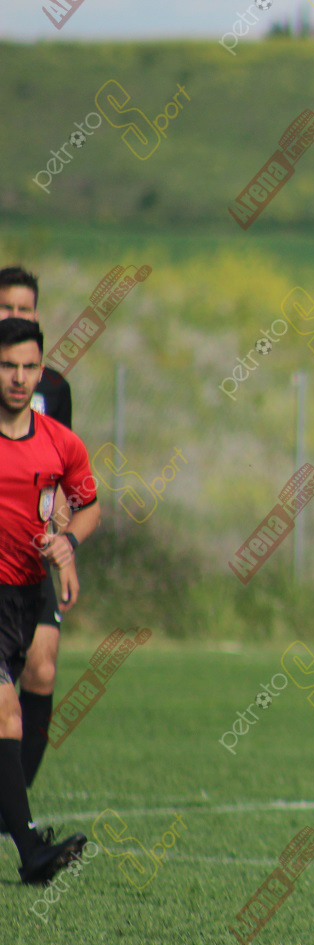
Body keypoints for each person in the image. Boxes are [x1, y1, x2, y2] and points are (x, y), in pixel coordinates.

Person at [0, 317, 96, 883]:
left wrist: (68, 543)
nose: (18, 377)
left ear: (41, 371)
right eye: (8, 366)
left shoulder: (61, 441)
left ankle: (28, 846)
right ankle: (32, 851)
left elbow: (88, 504)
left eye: (28, 366)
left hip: (21, 597)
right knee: (5, 712)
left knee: (9, 715)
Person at [0, 267, 74, 788]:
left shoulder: (54, 388)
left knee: (42, 668)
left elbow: (63, 475)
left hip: (34, 553)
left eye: (24, 308)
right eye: (7, 306)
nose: (15, 315)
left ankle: (14, 806)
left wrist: (64, 546)